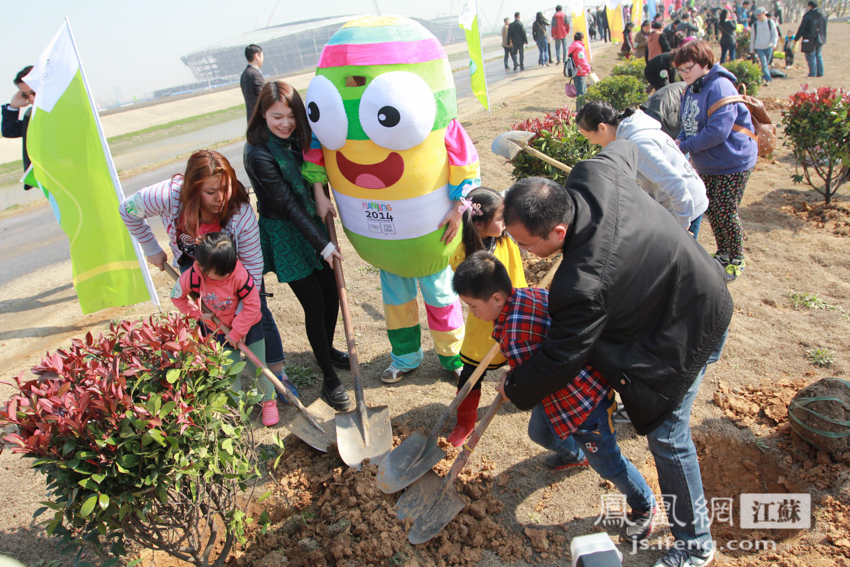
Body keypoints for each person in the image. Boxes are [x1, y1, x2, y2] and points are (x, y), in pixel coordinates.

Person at [501, 168, 732, 567]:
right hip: (692, 286)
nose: (522, 252)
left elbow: (561, 359)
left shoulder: (581, 283)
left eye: (525, 244)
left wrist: (515, 386)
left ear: (558, 231)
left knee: (668, 437)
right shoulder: (594, 175)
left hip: (689, 328)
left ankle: (695, 544)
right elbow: (623, 150)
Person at [456, 252, 659, 542]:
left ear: (497, 299)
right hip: (558, 395)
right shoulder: (528, 294)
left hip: (584, 402)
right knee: (539, 432)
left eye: (473, 306)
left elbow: (531, 386)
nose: (472, 313)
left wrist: (510, 386)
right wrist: (514, 379)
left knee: (608, 463)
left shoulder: (516, 335)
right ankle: (576, 455)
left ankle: (644, 505)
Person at [119, 149, 295, 393]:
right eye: (211, 192)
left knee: (258, 314)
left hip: (235, 269)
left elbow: (253, 268)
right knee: (210, 319)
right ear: (193, 189)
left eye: (225, 188)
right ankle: (226, 381)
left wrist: (241, 322)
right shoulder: (168, 195)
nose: (220, 198)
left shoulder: (240, 212)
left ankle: (277, 376)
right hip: (194, 265)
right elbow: (127, 210)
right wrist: (151, 248)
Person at [243, 80, 353, 411]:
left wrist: (319, 192)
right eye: (277, 117)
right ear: (262, 115)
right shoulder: (257, 152)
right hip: (285, 233)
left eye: (291, 116)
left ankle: (326, 349)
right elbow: (288, 204)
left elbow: (316, 165)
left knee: (332, 295)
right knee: (314, 304)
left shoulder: (301, 138)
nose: (285, 123)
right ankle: (329, 378)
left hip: (312, 222)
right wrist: (324, 246)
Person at [171, 232, 280, 426]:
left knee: (258, 368)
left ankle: (268, 401)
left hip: (250, 326)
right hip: (218, 331)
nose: (227, 275)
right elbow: (176, 297)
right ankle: (235, 408)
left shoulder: (238, 273)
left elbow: (253, 306)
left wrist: (237, 331)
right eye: (221, 274)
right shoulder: (193, 276)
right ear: (203, 267)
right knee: (230, 372)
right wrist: (197, 314)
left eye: (229, 270)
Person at [445, 189, 526, 446]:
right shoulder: (462, 252)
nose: (506, 222)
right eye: (501, 218)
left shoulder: (505, 240)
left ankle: (529, 396)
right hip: (484, 323)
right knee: (471, 372)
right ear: (479, 224)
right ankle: (465, 421)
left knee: (524, 363)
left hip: (515, 316)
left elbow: (516, 272)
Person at [674, 40, 758, 282]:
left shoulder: (720, 86)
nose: (684, 73)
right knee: (713, 208)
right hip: (709, 163)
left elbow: (717, 132)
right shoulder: (691, 88)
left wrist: (685, 146)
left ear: (704, 63)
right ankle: (723, 254)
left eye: (688, 68)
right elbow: (688, 124)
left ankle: (737, 259)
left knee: (725, 210)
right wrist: (679, 141)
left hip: (732, 160)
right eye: (680, 69)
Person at [576, 102, 708, 236]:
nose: (592, 142)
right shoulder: (630, 132)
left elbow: (675, 184)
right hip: (676, 202)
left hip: (687, 205)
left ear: (602, 128)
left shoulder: (638, 145)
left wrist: (682, 226)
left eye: (590, 137)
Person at [1, 66, 34, 190]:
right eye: (25, 95)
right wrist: (13, 107)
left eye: (33, 92)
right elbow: (10, 131)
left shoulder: (66, 109)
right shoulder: (31, 115)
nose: (31, 99)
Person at [795, 0, 827, 78]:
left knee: (810, 56)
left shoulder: (808, 16)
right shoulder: (823, 14)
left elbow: (802, 28)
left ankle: (813, 73)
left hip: (809, 38)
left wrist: (796, 38)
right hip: (821, 38)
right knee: (818, 55)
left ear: (810, 6)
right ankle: (820, 72)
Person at [750, 8, 779, 86]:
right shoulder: (755, 25)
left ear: (764, 13)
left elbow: (774, 34)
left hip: (769, 47)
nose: (758, 17)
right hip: (759, 47)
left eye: (759, 15)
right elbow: (753, 38)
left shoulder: (770, 22)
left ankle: (762, 78)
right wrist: (752, 49)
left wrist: (774, 44)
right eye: (757, 15)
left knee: (766, 64)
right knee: (764, 64)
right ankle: (768, 80)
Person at [240, 44, 264, 121]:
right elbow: (264, 98)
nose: (263, 58)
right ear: (257, 56)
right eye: (262, 55)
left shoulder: (244, 74)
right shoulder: (255, 74)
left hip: (251, 119)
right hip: (260, 119)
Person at [568, 32, 592, 107]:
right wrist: (588, 69)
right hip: (581, 72)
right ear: (582, 38)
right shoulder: (580, 48)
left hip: (575, 72)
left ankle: (580, 108)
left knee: (579, 92)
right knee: (582, 93)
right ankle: (580, 109)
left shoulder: (573, 47)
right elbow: (582, 60)